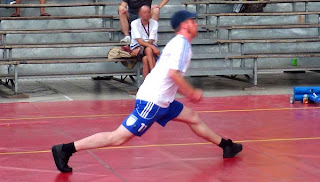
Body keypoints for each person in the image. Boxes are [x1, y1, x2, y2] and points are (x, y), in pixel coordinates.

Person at [51, 10, 243, 173]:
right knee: (118, 138)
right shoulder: (181, 45)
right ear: (185, 25)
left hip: (164, 101)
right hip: (152, 102)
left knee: (192, 117)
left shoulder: (181, 44)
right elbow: (174, 75)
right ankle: (66, 149)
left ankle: (226, 145)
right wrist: (192, 93)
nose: (196, 24)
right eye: (193, 21)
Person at [130, 6, 159, 78]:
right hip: (137, 47)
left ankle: (146, 83)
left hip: (149, 47)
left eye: (149, 12)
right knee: (149, 49)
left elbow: (151, 40)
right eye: (145, 12)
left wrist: (149, 46)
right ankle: (154, 72)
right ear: (140, 14)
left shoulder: (154, 23)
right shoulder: (134, 23)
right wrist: (141, 48)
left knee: (145, 59)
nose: (147, 14)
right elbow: (139, 41)